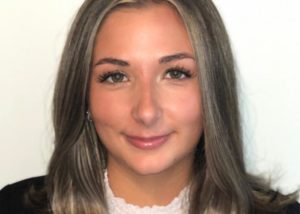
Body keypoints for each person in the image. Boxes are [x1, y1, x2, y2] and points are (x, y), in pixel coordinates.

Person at [0, 0, 299, 213]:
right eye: (116, 76)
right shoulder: (11, 207)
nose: (146, 111)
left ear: (213, 89)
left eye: (176, 73)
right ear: (82, 94)